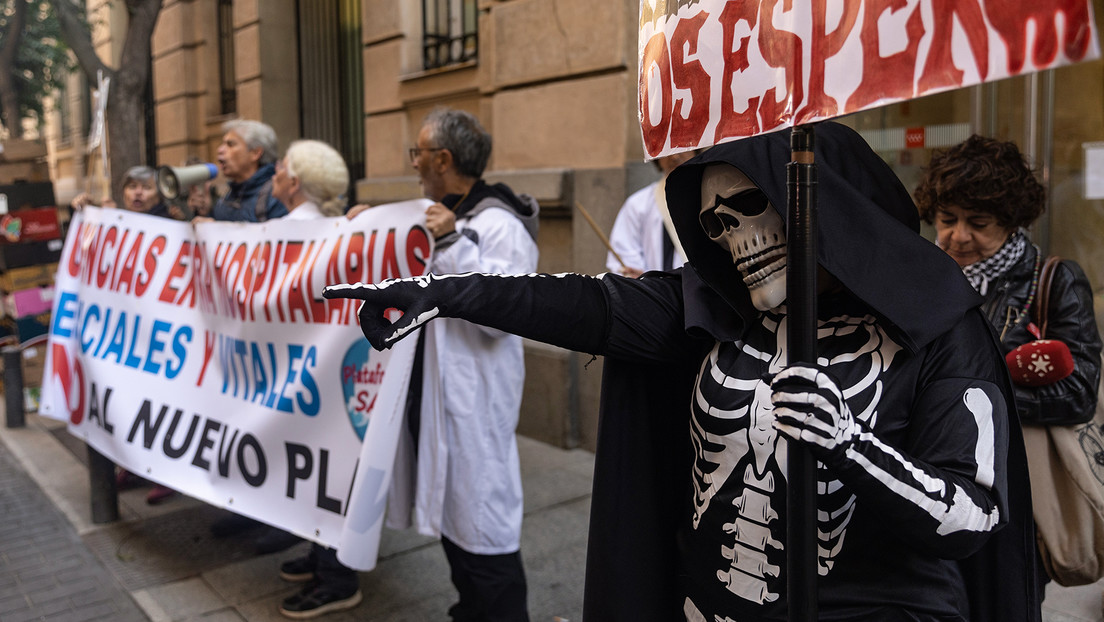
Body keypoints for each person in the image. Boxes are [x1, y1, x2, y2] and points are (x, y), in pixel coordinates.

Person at [324, 122, 1039, 621]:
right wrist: (444, 292)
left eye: (750, 211)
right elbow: (587, 303)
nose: (735, 239)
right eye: (717, 226)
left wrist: (851, 447)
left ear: (827, 212)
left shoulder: (938, 327)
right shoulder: (714, 310)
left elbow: (971, 515)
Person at [915, 134, 1103, 591]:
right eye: (947, 219)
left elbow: (1077, 395)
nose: (959, 236)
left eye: (978, 222)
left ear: (1011, 222)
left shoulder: (1055, 281)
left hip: (1017, 498)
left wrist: (973, 402)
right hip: (939, 486)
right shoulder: (923, 281)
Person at [385, 107, 539, 621]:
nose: (414, 165)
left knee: (483, 525)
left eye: (419, 154)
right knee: (456, 526)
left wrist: (452, 243)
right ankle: (470, 610)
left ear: (443, 159)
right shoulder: (443, 218)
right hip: (438, 400)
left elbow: (502, 315)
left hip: (474, 407)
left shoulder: (499, 226)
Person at [259, 139, 363, 619]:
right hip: (328, 374)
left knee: (308, 468)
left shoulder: (281, 234)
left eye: (280, 167)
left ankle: (336, 577)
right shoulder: (342, 231)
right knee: (328, 467)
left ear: (294, 182)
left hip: (290, 375)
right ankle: (326, 559)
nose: (274, 172)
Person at [606, 152, 696, 277]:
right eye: (667, 151)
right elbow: (625, 253)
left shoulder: (710, 200)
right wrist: (639, 280)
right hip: (654, 292)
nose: (675, 157)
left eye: (682, 147)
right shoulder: (638, 204)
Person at [195, 119, 287, 223]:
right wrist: (205, 213)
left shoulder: (278, 196)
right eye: (223, 144)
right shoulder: (227, 198)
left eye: (230, 144)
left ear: (255, 153)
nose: (220, 150)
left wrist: (220, 229)